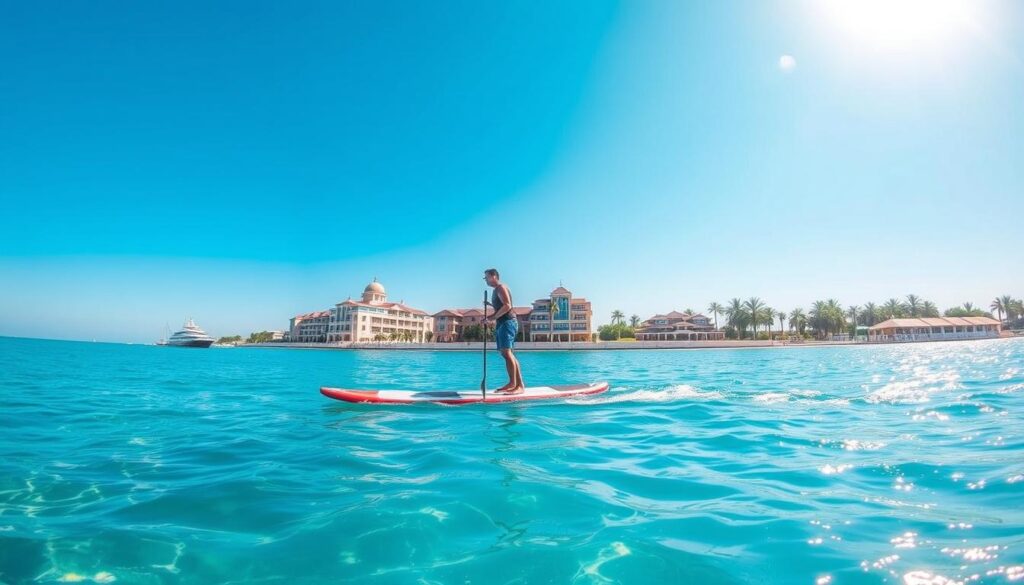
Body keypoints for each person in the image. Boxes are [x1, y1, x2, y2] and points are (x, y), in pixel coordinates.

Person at [482, 268, 525, 394]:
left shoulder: (501, 288)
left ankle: (517, 385)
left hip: (508, 322)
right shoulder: (496, 290)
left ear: (494, 276)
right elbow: (500, 306)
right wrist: (490, 306)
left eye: (486, 277)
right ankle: (514, 383)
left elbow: (507, 305)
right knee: (506, 353)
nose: (485, 280)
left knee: (507, 352)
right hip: (502, 323)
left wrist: (491, 318)